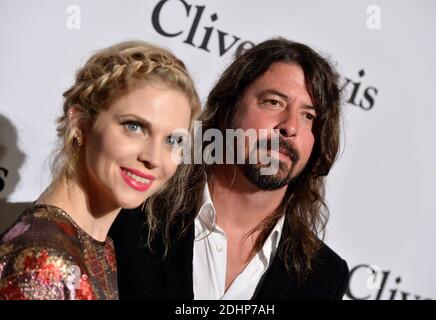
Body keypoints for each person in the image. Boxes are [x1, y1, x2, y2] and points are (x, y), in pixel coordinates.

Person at [110, 38, 349, 300]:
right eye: (273, 102)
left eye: (309, 116)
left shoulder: (324, 277)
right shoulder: (132, 211)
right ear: (227, 109)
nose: (290, 127)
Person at [0, 40, 200, 300]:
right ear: (81, 122)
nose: (154, 158)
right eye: (134, 127)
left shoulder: (93, 245)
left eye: (172, 140)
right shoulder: (44, 263)